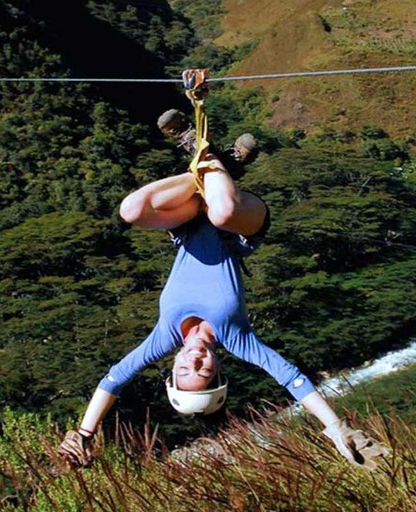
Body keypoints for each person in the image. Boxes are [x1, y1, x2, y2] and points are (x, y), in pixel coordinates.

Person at [57, 110, 388, 470]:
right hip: (242, 226)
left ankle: (209, 159)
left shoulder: (162, 338)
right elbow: (292, 378)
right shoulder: (238, 338)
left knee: (131, 210)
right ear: (216, 368)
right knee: (223, 211)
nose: (194, 361)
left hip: (187, 221)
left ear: (173, 370)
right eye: (202, 372)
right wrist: (336, 427)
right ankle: (217, 165)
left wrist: (84, 433)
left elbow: (114, 379)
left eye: (185, 372)